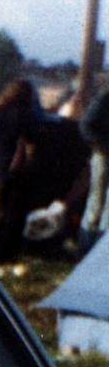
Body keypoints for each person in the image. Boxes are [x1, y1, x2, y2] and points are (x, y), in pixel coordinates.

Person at [0, 78, 43, 263]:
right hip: (19, 169)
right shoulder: (26, 115)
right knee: (15, 216)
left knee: (1, 212)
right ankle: (6, 254)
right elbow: (32, 142)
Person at [78, 88, 109, 257]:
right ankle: (85, 248)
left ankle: (98, 251)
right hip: (104, 157)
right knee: (96, 203)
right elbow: (86, 126)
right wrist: (102, 147)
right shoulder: (104, 98)